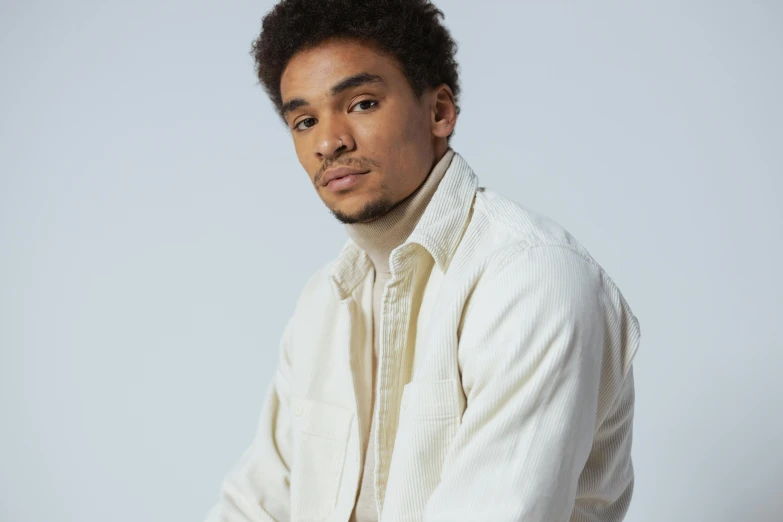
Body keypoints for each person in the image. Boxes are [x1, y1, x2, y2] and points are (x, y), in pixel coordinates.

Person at [205, 1, 641, 521]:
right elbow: (254, 506)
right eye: (303, 120)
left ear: (439, 112)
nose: (328, 141)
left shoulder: (531, 278)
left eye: (362, 103)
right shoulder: (325, 300)